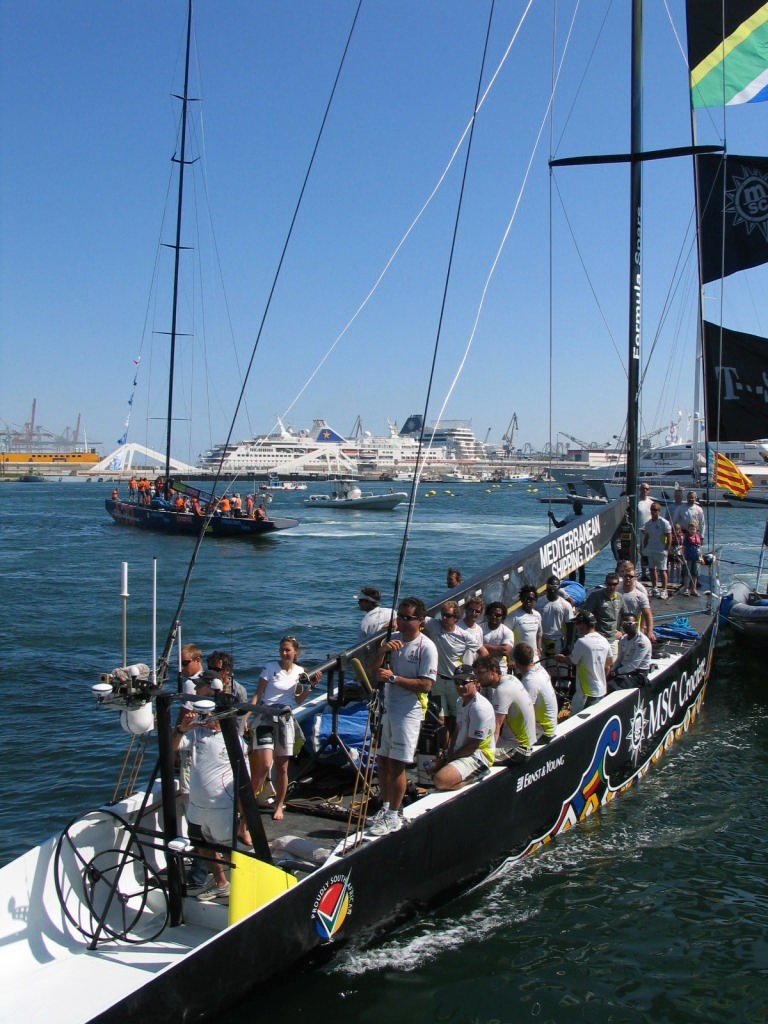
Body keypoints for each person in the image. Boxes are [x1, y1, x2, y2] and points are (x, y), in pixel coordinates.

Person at [368, 597, 438, 834]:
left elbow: (425, 685)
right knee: (384, 761)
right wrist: (382, 651)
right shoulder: (393, 641)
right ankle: (386, 807)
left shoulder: (426, 647)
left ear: (420, 621)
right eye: (400, 616)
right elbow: (374, 670)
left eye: (408, 618)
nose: (403, 621)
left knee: (398, 764)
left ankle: (394, 814)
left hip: (409, 711)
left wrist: (393, 678)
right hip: (388, 707)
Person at [172, 696, 246, 902]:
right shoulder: (195, 735)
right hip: (197, 807)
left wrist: (243, 816)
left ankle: (241, 889)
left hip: (221, 807)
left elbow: (244, 779)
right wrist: (181, 729)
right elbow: (173, 747)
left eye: (210, 714)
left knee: (229, 851)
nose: (206, 718)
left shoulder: (235, 740)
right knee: (202, 846)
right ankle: (222, 883)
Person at [246, 636, 320, 821]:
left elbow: (298, 700)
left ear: (295, 652)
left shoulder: (300, 672)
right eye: (281, 650)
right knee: (264, 765)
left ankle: (279, 804)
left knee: (282, 767)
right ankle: (247, 804)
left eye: (287, 650)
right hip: (265, 717)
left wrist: (311, 686)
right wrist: (246, 717)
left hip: (285, 719)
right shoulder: (270, 668)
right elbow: (258, 694)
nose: (284, 653)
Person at [428, 665, 495, 790]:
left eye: (464, 682)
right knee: (430, 770)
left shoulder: (479, 708)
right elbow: (457, 731)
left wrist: (448, 759)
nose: (459, 686)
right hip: (464, 753)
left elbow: (473, 744)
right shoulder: (460, 701)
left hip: (479, 756)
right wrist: (448, 753)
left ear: (475, 682)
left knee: (440, 780)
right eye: (457, 682)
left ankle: (475, 776)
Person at [424, 600, 483, 733]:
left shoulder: (464, 636)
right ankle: (442, 749)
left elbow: (483, 653)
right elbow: (417, 619)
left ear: (455, 618)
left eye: (448, 616)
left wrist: (476, 674)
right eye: (443, 615)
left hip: (456, 684)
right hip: (438, 681)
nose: (444, 618)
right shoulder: (434, 624)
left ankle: (453, 747)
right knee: (440, 719)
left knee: (457, 718)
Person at [475, 654, 536, 761]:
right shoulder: (511, 678)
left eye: (480, 673)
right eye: (476, 674)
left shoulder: (501, 691)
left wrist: (486, 755)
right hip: (520, 742)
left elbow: (495, 729)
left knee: (472, 756)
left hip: (519, 749)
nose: (477, 678)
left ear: (493, 671)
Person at [556, 610, 613, 713]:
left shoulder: (582, 642)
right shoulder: (604, 640)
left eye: (577, 623)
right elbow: (608, 665)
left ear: (583, 624)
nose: (576, 627)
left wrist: (560, 657)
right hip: (601, 691)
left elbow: (571, 661)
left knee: (574, 721)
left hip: (585, 693)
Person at [512, 642, 559, 743]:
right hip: (550, 726)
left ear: (516, 663)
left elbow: (526, 713)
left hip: (544, 734)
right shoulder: (541, 670)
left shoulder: (529, 682)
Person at [584, 572, 626, 655]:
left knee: (612, 664)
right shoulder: (595, 596)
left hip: (613, 639)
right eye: (609, 584)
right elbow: (586, 614)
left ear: (618, 584)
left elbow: (626, 615)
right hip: (598, 638)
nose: (611, 587)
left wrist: (621, 631)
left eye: (614, 584)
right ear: (605, 584)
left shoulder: (620, 597)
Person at [608, 614, 652, 690]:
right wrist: (612, 670)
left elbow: (634, 664)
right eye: (624, 624)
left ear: (636, 624)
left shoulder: (642, 641)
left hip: (637, 673)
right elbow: (619, 658)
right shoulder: (623, 639)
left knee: (610, 686)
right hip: (623, 669)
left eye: (629, 624)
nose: (625, 626)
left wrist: (617, 672)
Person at [536, 575, 574, 657]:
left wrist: (568, 645)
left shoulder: (565, 605)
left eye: (555, 586)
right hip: (541, 641)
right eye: (550, 586)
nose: (552, 588)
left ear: (559, 587)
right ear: (546, 586)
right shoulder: (538, 603)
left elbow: (570, 627)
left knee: (555, 666)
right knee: (541, 665)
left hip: (557, 641)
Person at [548, 501, 585, 583]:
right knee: (572, 568)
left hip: (581, 545)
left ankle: (581, 586)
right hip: (570, 545)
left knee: (581, 568)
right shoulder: (569, 517)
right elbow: (558, 525)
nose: (576, 508)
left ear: (581, 507)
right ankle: (572, 584)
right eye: (575, 507)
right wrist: (552, 517)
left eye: (578, 506)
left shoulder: (586, 517)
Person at [616, 564, 655, 642]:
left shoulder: (641, 595)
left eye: (630, 577)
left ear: (635, 579)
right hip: (616, 629)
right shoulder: (616, 590)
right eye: (626, 576)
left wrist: (649, 631)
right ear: (622, 577)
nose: (628, 578)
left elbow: (647, 614)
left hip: (631, 628)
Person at [642, 502, 672, 599]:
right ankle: (654, 587)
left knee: (662, 570)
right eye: (652, 510)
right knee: (651, 569)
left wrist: (666, 549)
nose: (653, 512)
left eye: (655, 510)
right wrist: (644, 548)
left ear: (659, 511)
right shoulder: (648, 524)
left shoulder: (664, 522)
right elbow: (646, 537)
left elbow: (669, 536)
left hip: (660, 550)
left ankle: (664, 589)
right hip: (650, 549)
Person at [508, 585, 543, 661]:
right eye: (525, 598)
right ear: (521, 599)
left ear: (535, 600)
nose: (528, 601)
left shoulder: (537, 615)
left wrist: (539, 648)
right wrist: (509, 658)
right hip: (519, 658)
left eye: (531, 599)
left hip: (534, 657)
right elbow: (505, 636)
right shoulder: (514, 616)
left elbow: (539, 633)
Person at [482, 601, 515, 672]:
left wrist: (483, 647)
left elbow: (505, 650)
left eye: (498, 615)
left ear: (503, 617)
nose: (494, 616)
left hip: (501, 669)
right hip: (482, 669)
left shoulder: (507, 632)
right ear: (487, 614)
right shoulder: (478, 628)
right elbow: (474, 648)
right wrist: (498, 650)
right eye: (492, 614)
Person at [637, 482, 655, 581]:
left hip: (647, 532)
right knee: (637, 552)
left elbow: (654, 517)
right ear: (640, 489)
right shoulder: (636, 501)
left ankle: (644, 573)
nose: (644, 490)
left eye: (646, 489)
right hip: (637, 530)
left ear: (649, 490)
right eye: (643, 488)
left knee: (646, 553)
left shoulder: (651, 503)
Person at [682, 526, 702, 596]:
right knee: (687, 573)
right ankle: (686, 589)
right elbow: (683, 548)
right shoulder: (686, 538)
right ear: (688, 530)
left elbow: (699, 548)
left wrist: (701, 557)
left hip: (696, 557)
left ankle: (693, 589)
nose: (692, 531)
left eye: (693, 529)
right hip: (688, 557)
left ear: (696, 530)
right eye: (690, 529)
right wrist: (683, 558)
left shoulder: (697, 537)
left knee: (695, 574)